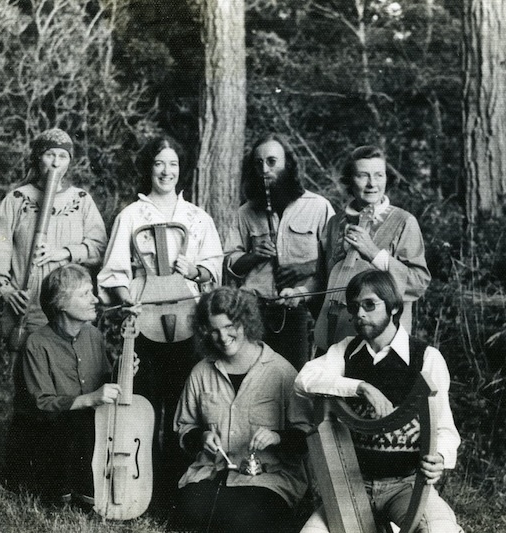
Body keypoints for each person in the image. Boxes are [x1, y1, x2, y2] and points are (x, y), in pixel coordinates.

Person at [97, 135, 224, 503]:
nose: (166, 171)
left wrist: (195, 270)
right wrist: (127, 301)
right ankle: (142, 486)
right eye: (158, 163)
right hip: (145, 324)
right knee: (145, 402)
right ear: (148, 168)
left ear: (181, 170)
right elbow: (114, 272)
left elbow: (214, 269)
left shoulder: (197, 218)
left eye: (173, 164)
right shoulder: (131, 216)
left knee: (185, 404)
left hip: (188, 323)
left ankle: (177, 490)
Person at [294, 270, 462, 533]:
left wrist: (439, 456)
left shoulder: (427, 358)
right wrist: (360, 387)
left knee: (442, 530)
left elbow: (445, 431)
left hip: (406, 485)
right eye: (355, 307)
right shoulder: (346, 350)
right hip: (352, 484)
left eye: (370, 305)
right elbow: (303, 380)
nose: (360, 314)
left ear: (394, 307)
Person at [173, 286, 311, 533]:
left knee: (243, 519)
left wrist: (278, 437)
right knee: (189, 513)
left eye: (229, 327)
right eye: (214, 331)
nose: (222, 337)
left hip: (267, 478)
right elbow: (185, 427)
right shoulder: (201, 373)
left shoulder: (281, 372)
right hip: (211, 473)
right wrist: (200, 437)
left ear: (246, 322)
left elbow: (306, 438)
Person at [0, 264, 129, 504]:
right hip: (47, 431)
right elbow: (40, 403)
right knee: (60, 480)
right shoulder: (36, 343)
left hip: (83, 429)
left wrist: (122, 372)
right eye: (86, 294)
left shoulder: (93, 335)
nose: (95, 299)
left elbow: (103, 380)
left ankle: (77, 485)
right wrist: (91, 398)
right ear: (61, 304)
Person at [282, 145, 430, 352]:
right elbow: (323, 279)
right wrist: (300, 292)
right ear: (349, 181)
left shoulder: (404, 222)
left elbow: (419, 282)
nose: (372, 184)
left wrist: (374, 254)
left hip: (383, 342)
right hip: (334, 333)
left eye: (379, 175)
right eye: (363, 176)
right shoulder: (335, 223)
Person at [0, 127, 107, 344]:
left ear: (69, 161)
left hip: (71, 313)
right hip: (28, 308)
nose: (56, 163)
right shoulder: (17, 199)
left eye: (63, 156)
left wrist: (64, 253)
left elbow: (99, 247)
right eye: (50, 155)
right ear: (38, 158)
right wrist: (7, 291)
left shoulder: (81, 200)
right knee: (27, 372)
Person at [224, 134, 335, 369]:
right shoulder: (246, 213)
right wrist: (254, 255)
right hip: (254, 311)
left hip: (298, 312)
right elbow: (230, 264)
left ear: (288, 164)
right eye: (258, 163)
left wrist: (305, 268)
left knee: (295, 382)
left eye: (272, 161)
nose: (265, 169)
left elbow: (335, 261)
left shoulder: (318, 207)